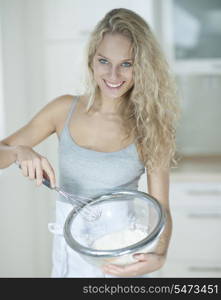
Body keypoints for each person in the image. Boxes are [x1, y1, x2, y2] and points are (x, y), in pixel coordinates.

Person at [0, 8, 179, 277]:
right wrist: (18, 151)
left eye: (126, 64)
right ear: (91, 60)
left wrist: (160, 254)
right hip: (69, 255)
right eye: (104, 61)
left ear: (141, 67)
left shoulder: (151, 126)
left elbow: (160, 206)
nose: (114, 75)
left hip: (123, 256)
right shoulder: (63, 110)